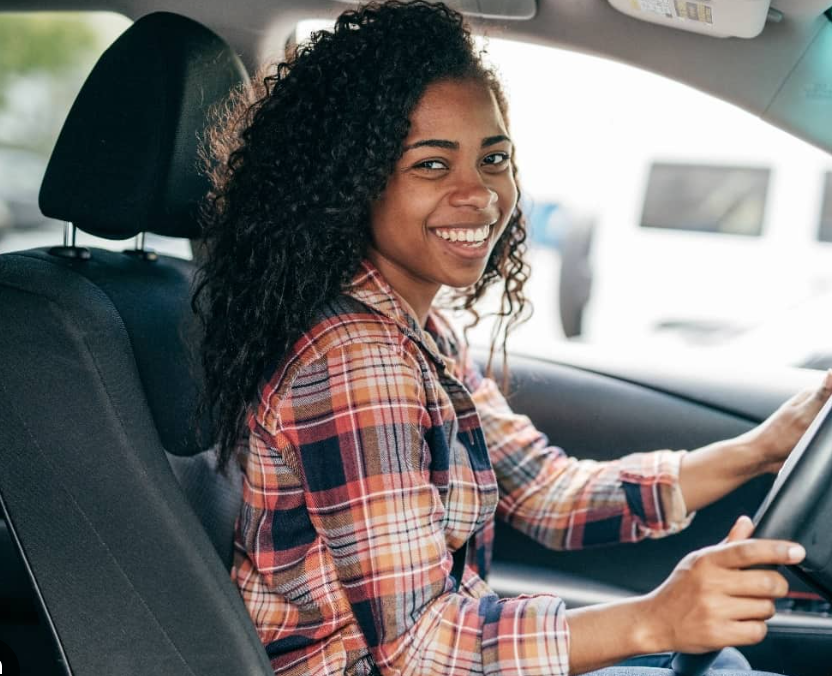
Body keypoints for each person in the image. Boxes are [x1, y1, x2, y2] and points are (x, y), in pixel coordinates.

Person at [192, 2, 832, 674]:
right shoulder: (354, 360)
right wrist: (655, 619)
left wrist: (762, 448)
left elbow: (549, 495)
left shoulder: (417, 334)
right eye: (432, 165)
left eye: (493, 158)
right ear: (351, 183)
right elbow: (420, 651)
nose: (480, 193)